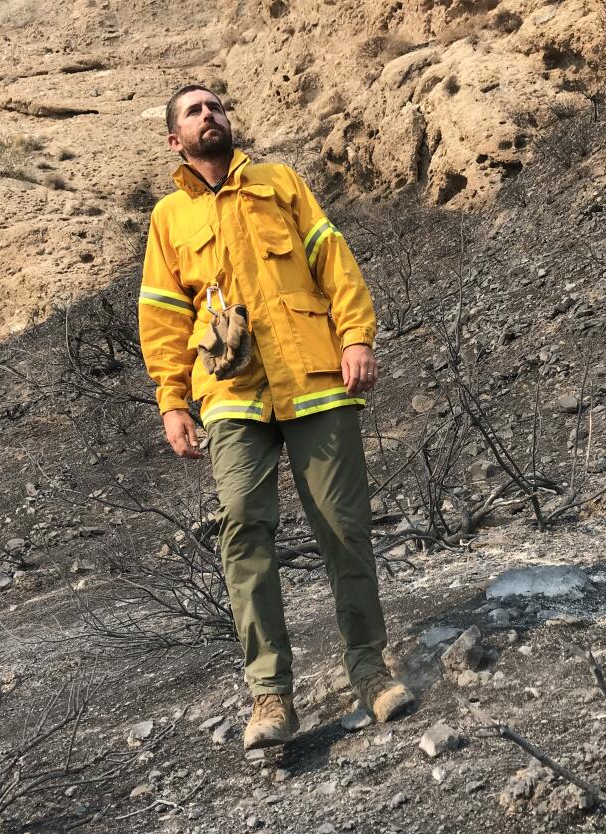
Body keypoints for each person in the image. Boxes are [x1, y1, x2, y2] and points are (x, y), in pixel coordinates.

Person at [138, 84, 415, 750]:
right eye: (194, 112)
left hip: (314, 379)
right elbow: (163, 317)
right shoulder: (169, 218)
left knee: (343, 529)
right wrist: (172, 400)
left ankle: (371, 672)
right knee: (242, 528)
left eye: (215, 106)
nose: (210, 115)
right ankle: (270, 697)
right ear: (175, 140)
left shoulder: (281, 182)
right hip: (231, 392)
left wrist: (356, 336)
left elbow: (331, 259)